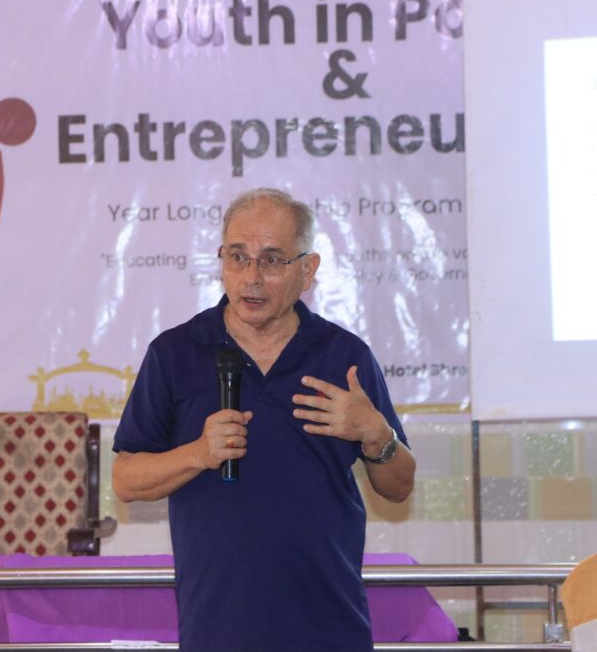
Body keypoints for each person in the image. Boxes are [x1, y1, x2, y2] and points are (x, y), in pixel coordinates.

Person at [112, 188, 415, 651]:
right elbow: (126, 480)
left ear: (307, 270)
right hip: (218, 629)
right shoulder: (174, 354)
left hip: (330, 628)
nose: (251, 277)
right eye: (238, 257)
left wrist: (377, 435)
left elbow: (399, 487)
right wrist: (198, 453)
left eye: (272, 260)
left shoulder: (344, 357)